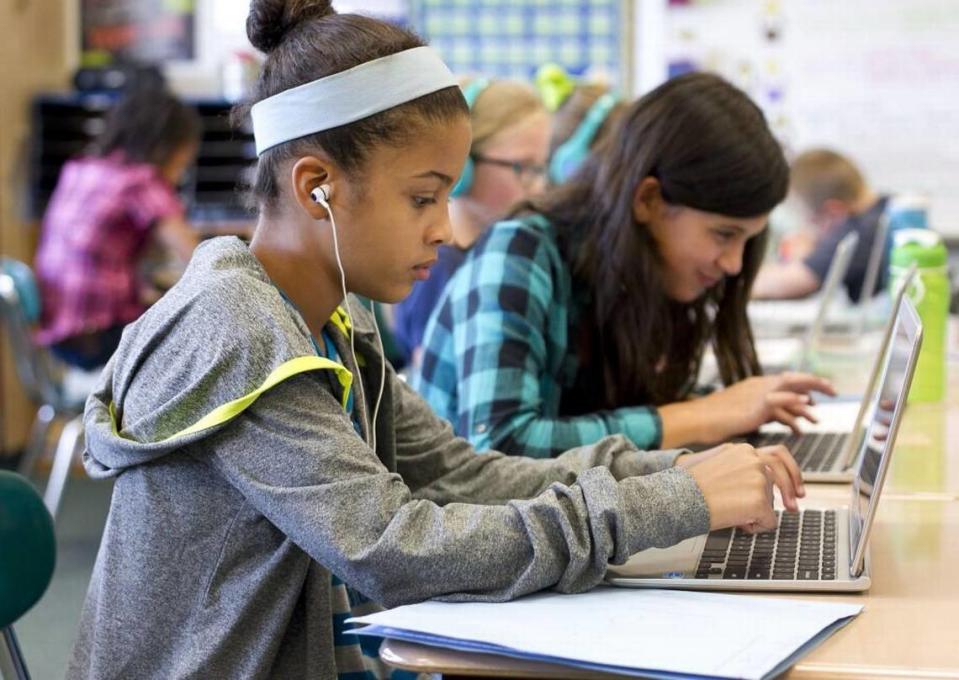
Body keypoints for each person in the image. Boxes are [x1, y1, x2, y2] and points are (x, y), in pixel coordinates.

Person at [67, 4, 804, 678]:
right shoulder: (240, 331)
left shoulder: (333, 319)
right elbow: (394, 549)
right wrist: (664, 504)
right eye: (423, 197)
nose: (445, 230)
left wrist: (671, 473)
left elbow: (461, 476)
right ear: (316, 185)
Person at [414, 72, 836, 459]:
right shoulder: (518, 252)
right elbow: (500, 445)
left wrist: (737, 405)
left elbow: (614, 406)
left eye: (747, 240)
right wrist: (702, 415)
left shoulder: (635, 274)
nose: (733, 264)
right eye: (724, 235)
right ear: (648, 200)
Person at [34, 79, 201, 370]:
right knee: (204, 333)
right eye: (182, 162)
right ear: (167, 148)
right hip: (96, 339)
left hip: (59, 333)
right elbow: (200, 260)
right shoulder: (141, 181)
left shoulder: (81, 168)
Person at [391, 77, 549, 366]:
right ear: (465, 166)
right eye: (523, 167)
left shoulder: (496, 251)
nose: (538, 187)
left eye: (541, 167)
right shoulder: (434, 270)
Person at [752, 148, 890, 302]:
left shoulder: (857, 232)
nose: (806, 229)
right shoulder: (882, 209)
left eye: (808, 220)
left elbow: (785, 283)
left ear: (832, 212)